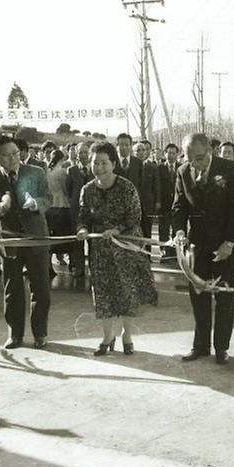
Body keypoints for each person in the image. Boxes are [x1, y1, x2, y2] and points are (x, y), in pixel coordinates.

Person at [76, 142, 158, 356]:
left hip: (126, 247)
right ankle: (107, 336)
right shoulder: (88, 189)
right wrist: (83, 229)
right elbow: (83, 216)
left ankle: (127, 336)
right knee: (103, 293)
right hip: (100, 250)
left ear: (113, 163)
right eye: (96, 163)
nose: (99, 167)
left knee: (127, 292)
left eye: (104, 163)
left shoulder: (126, 186)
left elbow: (134, 217)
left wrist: (116, 229)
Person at [173, 133, 234, 364]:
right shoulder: (183, 171)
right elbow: (179, 206)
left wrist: (230, 242)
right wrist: (180, 231)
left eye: (200, 158)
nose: (195, 163)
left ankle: (221, 347)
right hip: (197, 244)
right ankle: (200, 346)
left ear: (210, 151)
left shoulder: (231, 169)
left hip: (224, 242)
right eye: (190, 158)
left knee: (224, 297)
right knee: (198, 295)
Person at [0, 135, 53, 350]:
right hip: (9, 240)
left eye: (15, 153)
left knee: (41, 288)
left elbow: (48, 198)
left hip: (36, 238)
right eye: (6, 155)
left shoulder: (36, 172)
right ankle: (15, 335)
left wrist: (36, 203)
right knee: (12, 289)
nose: (13, 158)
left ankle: (40, 333)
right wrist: (0, 207)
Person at [65, 142, 93, 278]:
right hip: (77, 211)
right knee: (78, 242)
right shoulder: (72, 170)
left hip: (93, 212)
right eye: (80, 152)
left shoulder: (95, 169)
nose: (83, 155)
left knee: (93, 242)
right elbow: (68, 191)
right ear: (76, 154)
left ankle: (94, 270)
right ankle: (79, 268)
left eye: (85, 152)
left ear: (90, 154)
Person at [45, 150, 73, 276]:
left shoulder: (47, 171)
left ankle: (49, 264)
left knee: (50, 236)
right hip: (62, 205)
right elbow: (66, 190)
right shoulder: (62, 172)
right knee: (63, 236)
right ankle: (66, 260)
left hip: (50, 206)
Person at [133, 142, 161, 243]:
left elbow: (156, 185)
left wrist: (157, 201)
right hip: (133, 204)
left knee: (147, 230)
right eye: (138, 150)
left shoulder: (152, 167)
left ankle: (148, 256)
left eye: (143, 150)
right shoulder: (131, 167)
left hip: (148, 204)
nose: (141, 153)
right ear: (133, 153)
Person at [157, 143, 180, 261]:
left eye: (173, 153)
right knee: (163, 230)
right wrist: (158, 201)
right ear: (165, 154)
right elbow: (157, 186)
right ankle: (164, 252)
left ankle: (174, 253)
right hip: (164, 204)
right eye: (168, 153)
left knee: (176, 229)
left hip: (177, 204)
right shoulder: (159, 168)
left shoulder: (182, 167)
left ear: (177, 154)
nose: (171, 155)